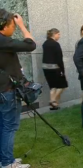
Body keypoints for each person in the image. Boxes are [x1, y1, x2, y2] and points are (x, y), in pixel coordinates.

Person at [0, 9, 36, 168]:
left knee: (2, 126)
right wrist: (22, 25)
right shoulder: (3, 41)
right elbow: (31, 45)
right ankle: (8, 163)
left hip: (2, 90)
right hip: (7, 91)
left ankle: (3, 159)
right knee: (9, 127)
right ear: (4, 25)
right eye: (12, 25)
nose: (14, 28)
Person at [42, 28, 68, 110]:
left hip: (46, 68)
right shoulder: (56, 44)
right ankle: (53, 100)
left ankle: (54, 105)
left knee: (52, 86)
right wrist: (62, 71)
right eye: (58, 34)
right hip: (55, 68)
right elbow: (59, 59)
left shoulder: (45, 43)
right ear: (54, 34)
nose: (59, 36)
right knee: (63, 85)